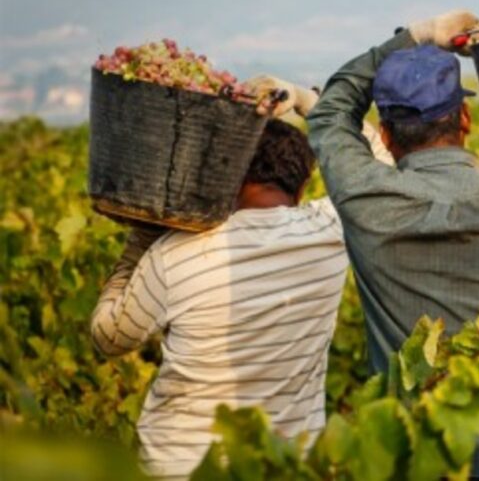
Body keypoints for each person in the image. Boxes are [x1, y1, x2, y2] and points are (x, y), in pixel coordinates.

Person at [261, 10, 479, 480]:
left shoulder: (362, 196)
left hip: (424, 461)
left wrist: (417, 35)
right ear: (466, 118)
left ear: (386, 137)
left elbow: (332, 110)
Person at [90, 117, 392, 479]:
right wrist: (309, 102)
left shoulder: (174, 253)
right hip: (282, 467)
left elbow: (108, 338)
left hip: (179, 469)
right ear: (303, 185)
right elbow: (381, 166)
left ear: (227, 176)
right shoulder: (329, 231)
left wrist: (139, 243)